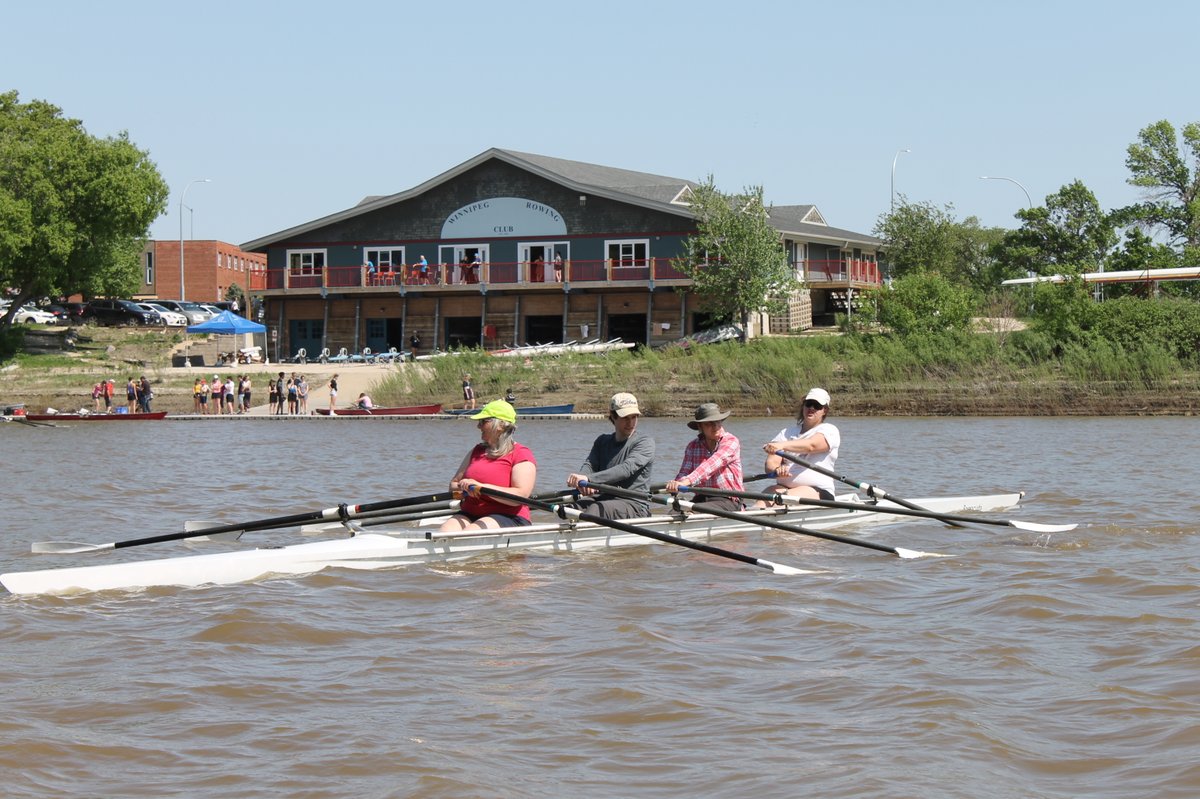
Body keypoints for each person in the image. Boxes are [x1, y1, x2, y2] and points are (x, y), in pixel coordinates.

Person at [440, 399, 537, 531]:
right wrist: (463, 488)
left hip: (509, 516)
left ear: (500, 425)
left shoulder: (521, 454)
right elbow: (452, 485)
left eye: (483, 421)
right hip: (470, 512)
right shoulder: (476, 451)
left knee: (470, 532)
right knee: (445, 532)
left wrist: (480, 487)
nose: (478, 426)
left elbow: (520, 495)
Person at [566, 392, 655, 520]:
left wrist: (590, 479)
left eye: (634, 417)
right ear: (613, 416)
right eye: (625, 417)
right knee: (569, 510)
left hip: (634, 504)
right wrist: (581, 481)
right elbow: (590, 465)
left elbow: (626, 469)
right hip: (603, 498)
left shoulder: (645, 442)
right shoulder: (602, 441)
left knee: (595, 509)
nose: (631, 422)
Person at [761, 387, 841, 503]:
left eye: (817, 406)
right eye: (808, 404)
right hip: (783, 488)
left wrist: (781, 445)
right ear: (803, 406)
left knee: (783, 498)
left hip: (818, 491)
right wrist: (777, 469)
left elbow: (811, 446)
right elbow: (771, 462)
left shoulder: (829, 430)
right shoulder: (786, 433)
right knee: (763, 499)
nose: (811, 408)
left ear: (825, 410)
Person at [665, 402, 743, 512]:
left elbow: (711, 464)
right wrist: (676, 484)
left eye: (717, 421)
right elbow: (684, 472)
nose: (715, 426)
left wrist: (686, 481)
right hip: (701, 498)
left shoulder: (731, 441)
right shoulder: (692, 446)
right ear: (700, 427)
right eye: (709, 424)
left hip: (728, 499)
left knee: (694, 510)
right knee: (674, 512)